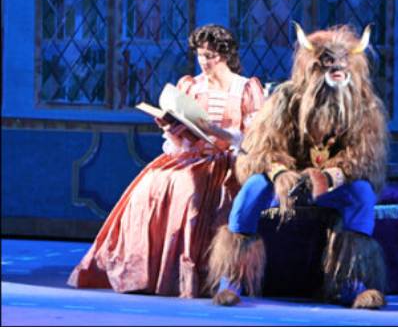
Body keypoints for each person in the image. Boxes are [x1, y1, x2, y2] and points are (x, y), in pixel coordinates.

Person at [68, 24, 265, 298]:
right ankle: (146, 272)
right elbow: (179, 140)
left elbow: (254, 138)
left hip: (227, 160)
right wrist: (173, 127)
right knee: (153, 182)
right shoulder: (191, 85)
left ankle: (200, 276)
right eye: (200, 55)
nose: (203, 61)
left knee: (188, 187)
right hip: (191, 155)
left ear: (225, 55)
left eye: (210, 56)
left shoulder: (246, 88)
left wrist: (218, 132)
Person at [207, 24, 389, 309]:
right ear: (313, 66)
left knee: (362, 195)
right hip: (287, 181)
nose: (337, 68)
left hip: (332, 184)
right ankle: (232, 278)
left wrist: (332, 176)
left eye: (343, 61)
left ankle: (351, 280)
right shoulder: (286, 98)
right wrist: (281, 173)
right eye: (328, 61)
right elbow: (260, 149)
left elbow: (366, 157)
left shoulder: (365, 106)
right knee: (252, 189)